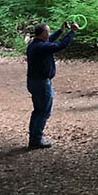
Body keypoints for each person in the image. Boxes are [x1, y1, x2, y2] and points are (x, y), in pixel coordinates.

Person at [26, 21, 78, 149]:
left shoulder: (34, 44)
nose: (49, 34)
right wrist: (72, 32)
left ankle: (34, 138)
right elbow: (60, 46)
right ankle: (36, 140)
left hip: (34, 81)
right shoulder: (41, 47)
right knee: (43, 111)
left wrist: (61, 31)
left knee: (38, 111)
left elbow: (50, 41)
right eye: (48, 32)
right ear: (43, 33)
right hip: (41, 83)